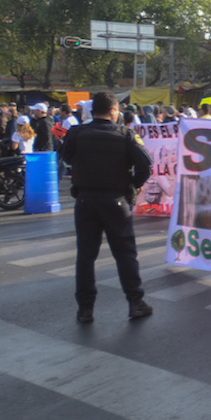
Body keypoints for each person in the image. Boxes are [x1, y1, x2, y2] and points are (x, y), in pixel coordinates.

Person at [60, 91, 154, 323]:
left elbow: (65, 156)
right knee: (125, 255)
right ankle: (135, 302)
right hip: (116, 201)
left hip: (85, 201)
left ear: (93, 111)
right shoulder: (125, 134)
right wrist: (133, 185)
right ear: (114, 110)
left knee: (86, 256)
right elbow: (146, 165)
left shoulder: (77, 133)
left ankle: (85, 309)